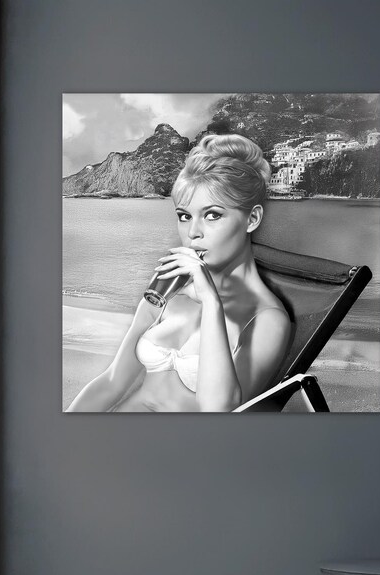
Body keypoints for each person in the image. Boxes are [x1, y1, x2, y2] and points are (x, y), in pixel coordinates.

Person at [67, 134, 292, 412]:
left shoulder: (267, 319)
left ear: (252, 218)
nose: (193, 233)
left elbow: (218, 411)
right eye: (184, 216)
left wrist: (211, 302)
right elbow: (112, 383)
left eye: (212, 215)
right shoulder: (167, 292)